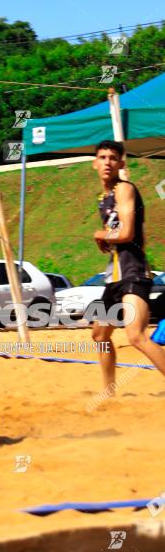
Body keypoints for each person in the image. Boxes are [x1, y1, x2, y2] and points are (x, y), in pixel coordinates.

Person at [91, 140, 165, 392]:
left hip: (133, 273)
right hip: (114, 277)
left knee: (136, 336)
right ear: (94, 163)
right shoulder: (103, 198)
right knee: (100, 335)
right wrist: (107, 239)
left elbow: (127, 233)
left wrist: (101, 235)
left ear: (121, 163)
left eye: (113, 158)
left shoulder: (124, 189)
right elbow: (116, 235)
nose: (107, 162)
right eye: (102, 157)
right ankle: (109, 391)